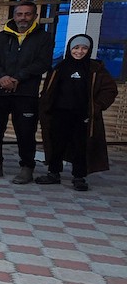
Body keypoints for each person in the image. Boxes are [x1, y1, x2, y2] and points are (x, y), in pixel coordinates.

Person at [0, 2, 55, 184]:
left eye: (27, 14)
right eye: (19, 14)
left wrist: (17, 78)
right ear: (14, 15)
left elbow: (42, 63)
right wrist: (2, 77)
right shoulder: (2, 36)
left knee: (26, 132)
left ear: (35, 16)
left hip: (25, 94)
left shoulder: (44, 38)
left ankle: (27, 168)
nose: (23, 18)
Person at [37, 34, 119, 191]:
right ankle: (53, 173)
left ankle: (79, 176)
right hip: (59, 113)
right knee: (56, 144)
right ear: (70, 49)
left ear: (89, 50)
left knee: (80, 146)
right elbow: (48, 90)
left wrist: (97, 106)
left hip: (83, 115)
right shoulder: (60, 67)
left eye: (84, 48)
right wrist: (45, 106)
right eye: (76, 48)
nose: (79, 51)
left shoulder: (95, 69)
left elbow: (110, 90)